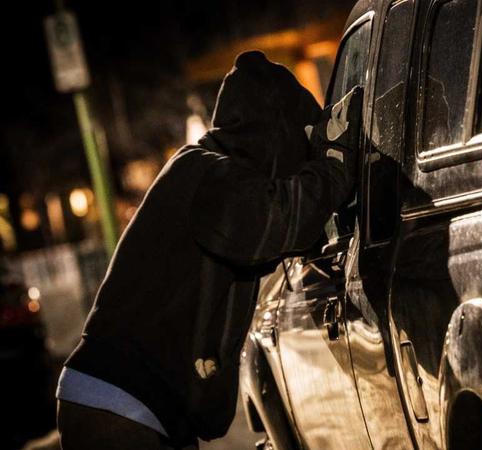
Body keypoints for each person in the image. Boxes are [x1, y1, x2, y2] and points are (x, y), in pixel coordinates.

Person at [55, 51, 363, 450]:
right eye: (298, 146)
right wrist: (334, 162)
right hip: (120, 403)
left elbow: (277, 235)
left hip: (131, 401)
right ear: (277, 135)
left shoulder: (210, 175)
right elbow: (280, 221)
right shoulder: (206, 176)